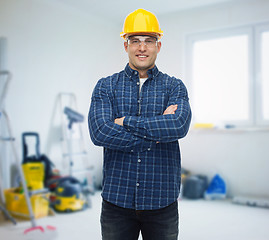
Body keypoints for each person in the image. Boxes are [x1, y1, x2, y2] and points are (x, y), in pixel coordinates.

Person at [88, 8, 192, 240]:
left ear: (158, 45)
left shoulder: (174, 86)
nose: (142, 47)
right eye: (135, 41)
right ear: (126, 45)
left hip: (161, 201)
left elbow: (178, 126)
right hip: (117, 200)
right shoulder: (106, 86)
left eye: (149, 41)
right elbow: (99, 131)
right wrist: (156, 133)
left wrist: (125, 122)